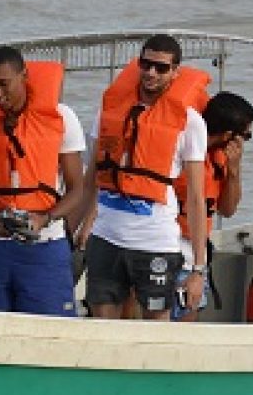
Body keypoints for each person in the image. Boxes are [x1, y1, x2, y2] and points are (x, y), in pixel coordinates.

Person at [79, 34, 212, 320]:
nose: (151, 72)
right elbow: (91, 179)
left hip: (156, 243)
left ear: (175, 72)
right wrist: (78, 230)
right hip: (105, 237)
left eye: (161, 68)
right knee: (102, 324)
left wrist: (198, 270)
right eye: (146, 64)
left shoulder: (190, 122)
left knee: (155, 326)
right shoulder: (109, 111)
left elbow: (196, 198)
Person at [0, 47, 85, 315]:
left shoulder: (62, 117)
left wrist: (44, 219)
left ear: (24, 76)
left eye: (4, 84)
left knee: (51, 330)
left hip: (46, 246)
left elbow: (77, 190)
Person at [172, 91, 253, 321]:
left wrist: (234, 171)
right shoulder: (182, 152)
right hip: (169, 245)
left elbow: (227, 210)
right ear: (229, 135)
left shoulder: (218, 161)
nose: (244, 142)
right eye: (246, 135)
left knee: (188, 316)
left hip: (195, 252)